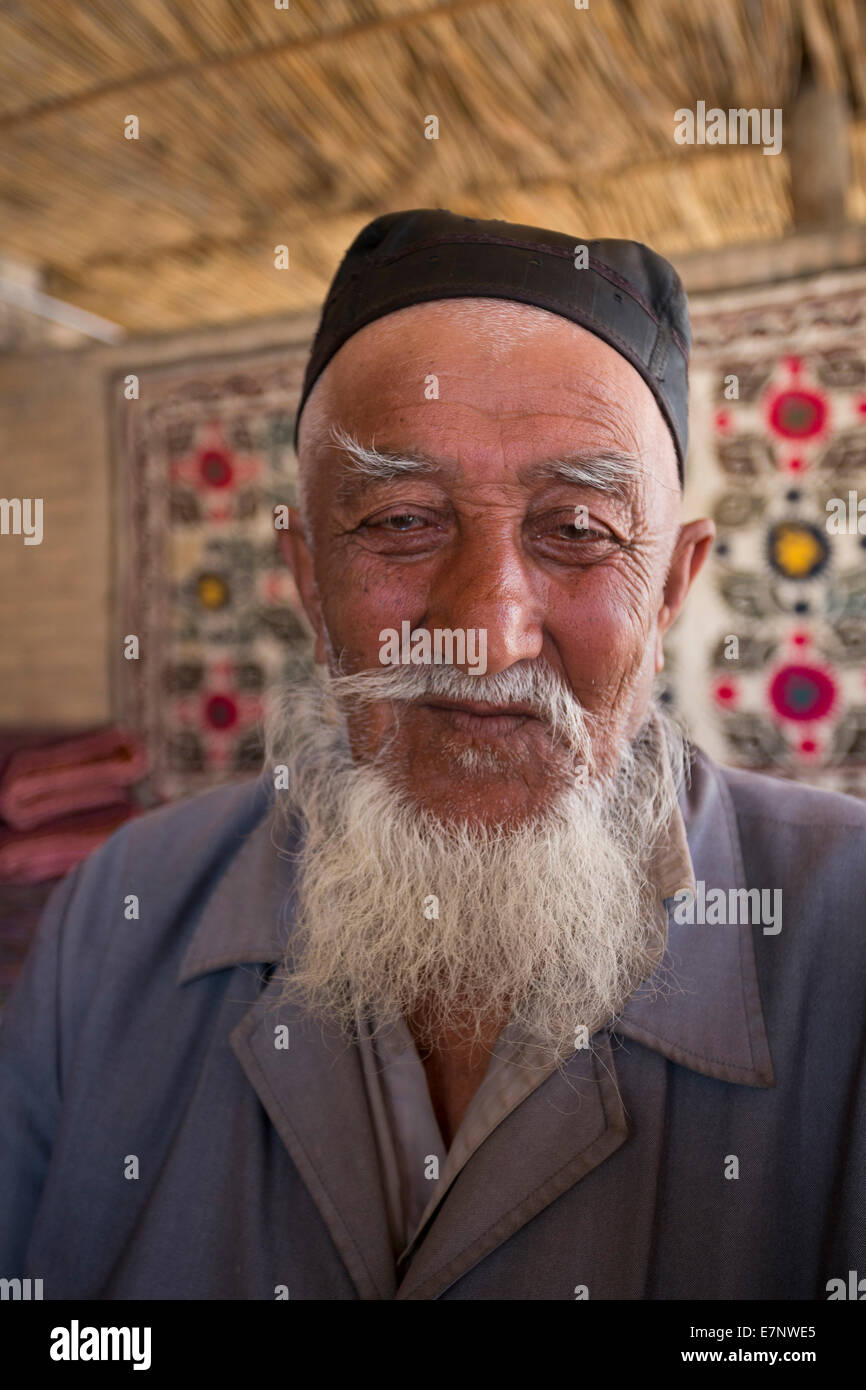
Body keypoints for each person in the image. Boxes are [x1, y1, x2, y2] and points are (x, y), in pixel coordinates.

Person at [1, 209, 864, 1301]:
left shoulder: (846, 932)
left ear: (672, 588)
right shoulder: (115, 918)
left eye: (578, 529)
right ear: (310, 580)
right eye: (402, 521)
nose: (487, 631)